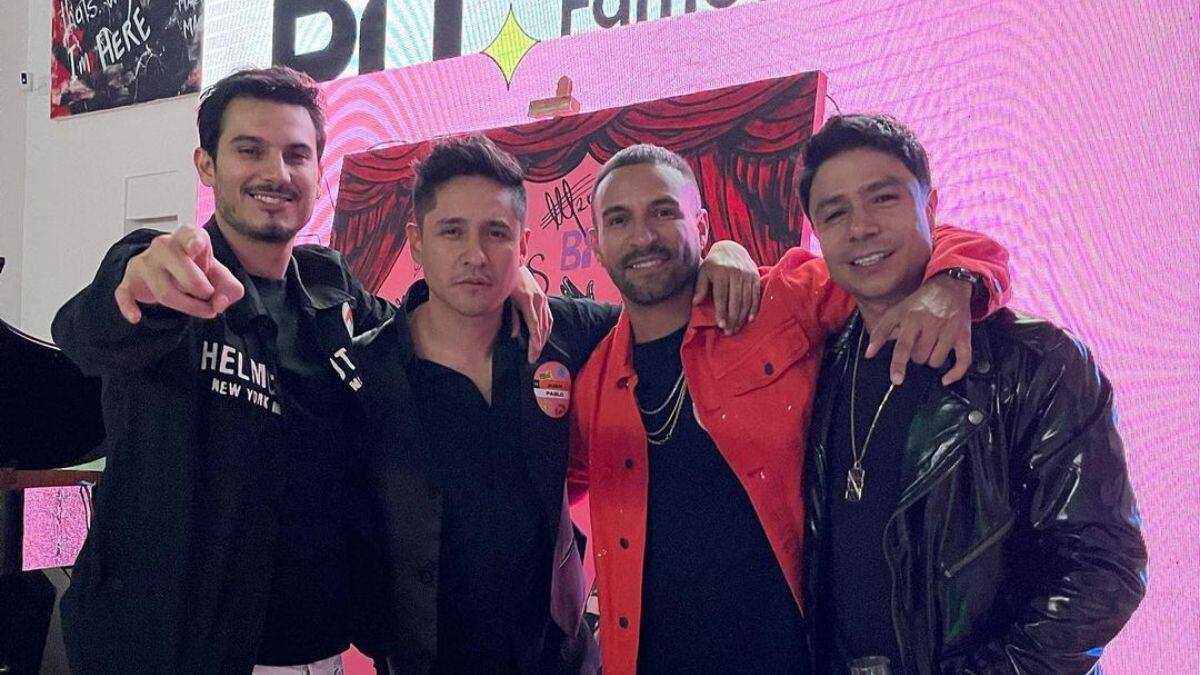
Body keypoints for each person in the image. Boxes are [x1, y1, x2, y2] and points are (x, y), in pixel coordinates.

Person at [50, 67, 546, 674]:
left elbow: (420, 331)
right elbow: (86, 334)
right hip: (168, 651)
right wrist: (138, 286)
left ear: (317, 170)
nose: (276, 173)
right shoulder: (175, 276)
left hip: (320, 653)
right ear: (206, 165)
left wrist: (502, 275)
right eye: (249, 150)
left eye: (296, 154)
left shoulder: (330, 285)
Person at [567, 144, 1012, 674]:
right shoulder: (592, 382)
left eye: (664, 212)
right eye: (619, 220)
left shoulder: (775, 302)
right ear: (596, 245)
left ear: (702, 227)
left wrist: (953, 281)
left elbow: (899, 252)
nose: (643, 237)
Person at [348, 136, 761, 674]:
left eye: (496, 233)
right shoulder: (366, 371)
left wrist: (723, 254)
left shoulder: (563, 331)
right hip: (424, 661)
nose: (476, 255)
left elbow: (659, 307)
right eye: (452, 231)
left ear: (523, 245)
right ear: (416, 242)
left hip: (561, 657)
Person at [798, 114, 1147, 674]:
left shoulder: (1036, 362)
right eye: (835, 213)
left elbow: (1102, 568)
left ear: (931, 208)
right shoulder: (820, 361)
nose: (860, 227)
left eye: (883, 198)